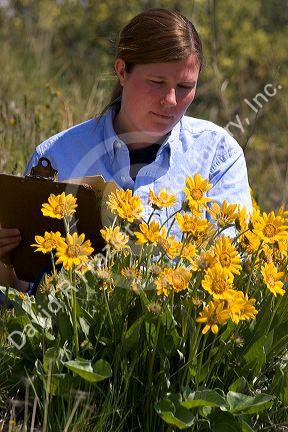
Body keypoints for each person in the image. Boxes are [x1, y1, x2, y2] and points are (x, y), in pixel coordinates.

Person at [0, 8, 252, 293]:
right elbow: (27, 293)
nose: (170, 100)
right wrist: (5, 263)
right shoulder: (55, 157)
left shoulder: (217, 155)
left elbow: (234, 267)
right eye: (157, 83)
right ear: (122, 71)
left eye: (185, 86)